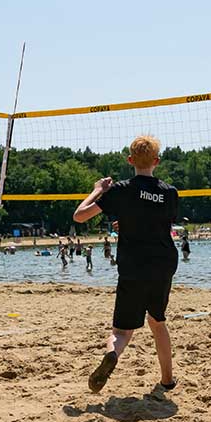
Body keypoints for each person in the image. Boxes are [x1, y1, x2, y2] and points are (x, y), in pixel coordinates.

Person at [73, 135, 178, 393]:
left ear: (130, 160)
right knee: (158, 322)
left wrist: (98, 189)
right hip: (163, 262)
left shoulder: (120, 189)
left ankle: (113, 354)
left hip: (134, 264)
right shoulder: (170, 193)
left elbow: (80, 216)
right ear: (157, 161)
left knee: (121, 331)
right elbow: (158, 223)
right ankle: (167, 380)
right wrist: (129, 222)